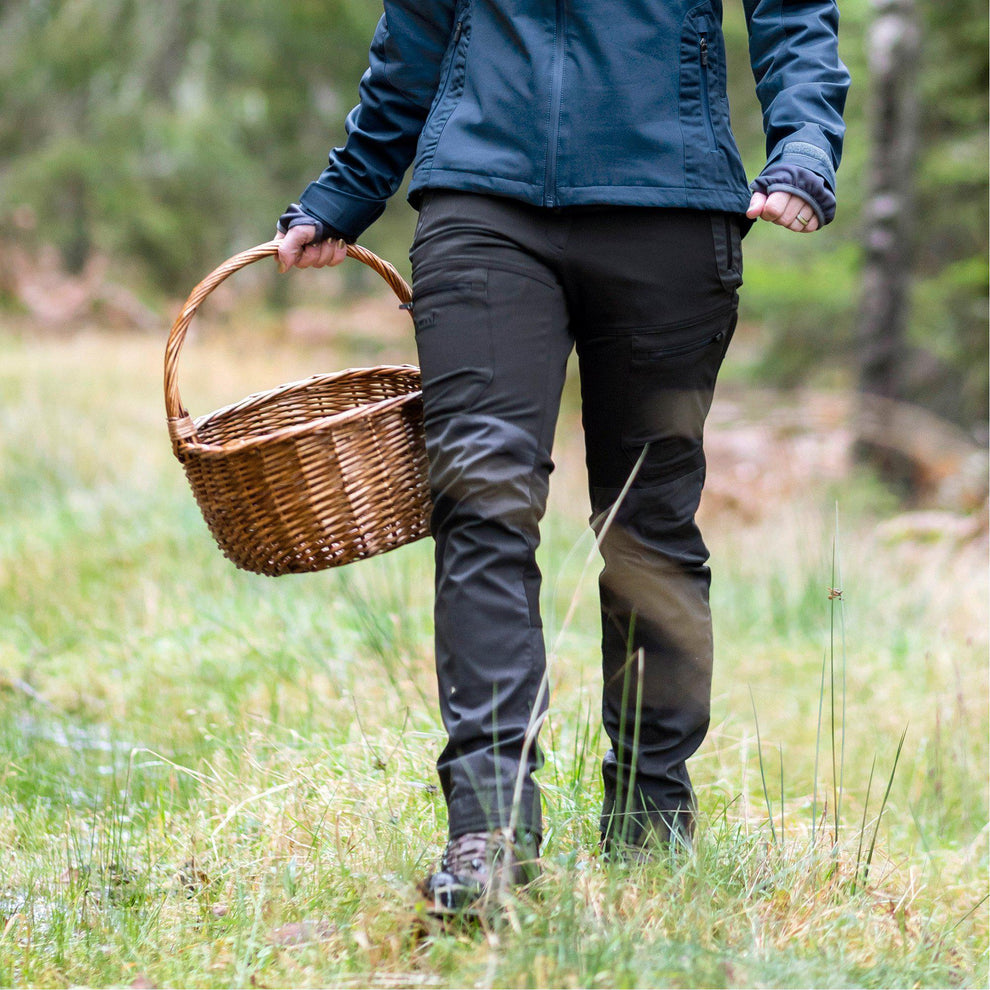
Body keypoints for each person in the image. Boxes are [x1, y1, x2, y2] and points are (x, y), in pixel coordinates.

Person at [275, 0, 849, 912]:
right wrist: (354, 184)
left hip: (669, 206)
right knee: (481, 500)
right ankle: (491, 831)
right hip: (484, 204)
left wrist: (807, 144)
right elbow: (417, 24)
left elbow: (793, 14)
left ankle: (652, 810)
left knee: (646, 526)